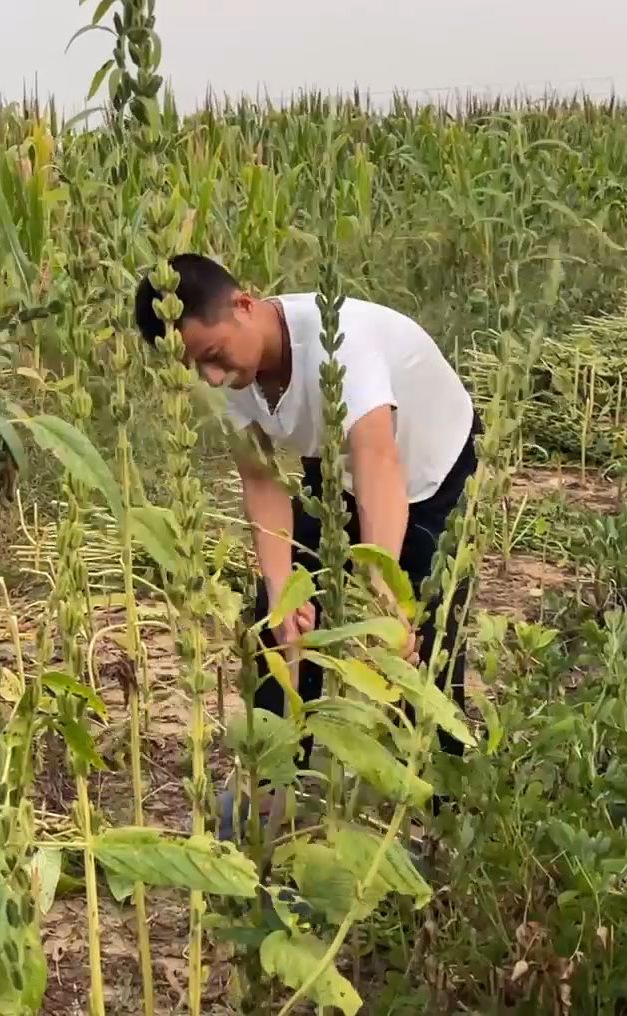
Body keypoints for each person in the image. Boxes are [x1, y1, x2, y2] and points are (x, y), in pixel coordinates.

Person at [134, 255, 477, 832]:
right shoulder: (234, 375)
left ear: (244, 305)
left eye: (214, 358)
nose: (212, 379)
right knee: (279, 619)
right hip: (338, 466)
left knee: (424, 634)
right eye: (197, 368)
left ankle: (446, 810)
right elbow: (262, 482)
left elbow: (378, 461)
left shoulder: (339, 341)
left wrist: (384, 593)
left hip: (431, 470)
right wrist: (282, 595)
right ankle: (272, 789)